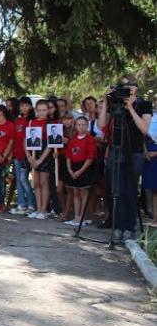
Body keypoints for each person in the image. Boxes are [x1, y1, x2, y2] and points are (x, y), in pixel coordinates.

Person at [98, 75, 153, 240]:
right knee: (116, 190)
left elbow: (144, 128)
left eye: (128, 86)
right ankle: (118, 226)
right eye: (121, 86)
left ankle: (129, 227)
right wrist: (105, 101)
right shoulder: (115, 104)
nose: (125, 89)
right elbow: (102, 125)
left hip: (134, 151)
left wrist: (130, 108)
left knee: (130, 190)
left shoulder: (144, 104)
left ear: (135, 88)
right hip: (116, 149)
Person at [64, 117, 98, 227]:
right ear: (76, 126)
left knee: (84, 193)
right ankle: (77, 216)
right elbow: (68, 155)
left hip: (84, 167)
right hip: (73, 167)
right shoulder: (73, 140)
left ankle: (83, 216)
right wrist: (70, 169)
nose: (81, 127)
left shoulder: (90, 139)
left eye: (83, 125)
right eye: (79, 124)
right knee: (76, 193)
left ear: (87, 126)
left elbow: (90, 157)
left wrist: (81, 170)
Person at [27, 100, 53, 219]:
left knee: (43, 182)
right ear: (36, 110)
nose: (42, 113)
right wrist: (29, 156)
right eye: (39, 110)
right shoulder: (31, 122)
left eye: (44, 110)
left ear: (48, 111)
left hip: (45, 155)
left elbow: (50, 144)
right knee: (36, 183)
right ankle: (37, 209)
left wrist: (41, 160)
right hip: (33, 154)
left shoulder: (50, 124)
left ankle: (43, 209)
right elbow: (25, 139)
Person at [10, 97, 36, 216]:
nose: (24, 108)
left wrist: (30, 155)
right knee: (19, 181)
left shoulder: (32, 121)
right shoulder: (17, 120)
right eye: (22, 105)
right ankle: (21, 204)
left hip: (26, 155)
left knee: (23, 180)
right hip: (16, 154)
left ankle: (31, 204)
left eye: (26, 105)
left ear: (30, 107)